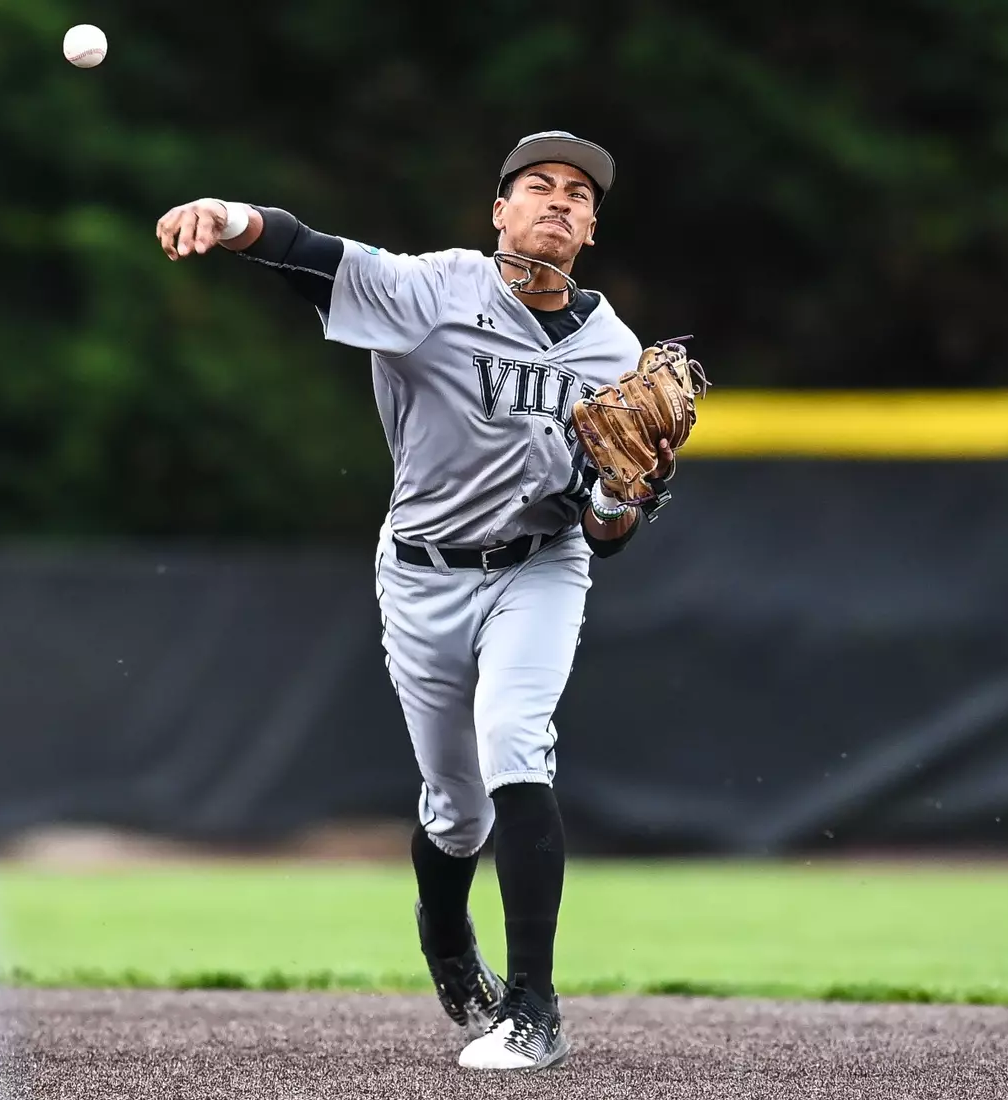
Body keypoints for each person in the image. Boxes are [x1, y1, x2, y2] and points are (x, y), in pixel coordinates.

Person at [156, 130, 681, 1072]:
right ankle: (446, 941)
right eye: (536, 187)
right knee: (456, 812)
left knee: (517, 740)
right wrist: (230, 219)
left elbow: (606, 533)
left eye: (577, 194)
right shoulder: (432, 289)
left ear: (593, 227)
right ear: (499, 212)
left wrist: (619, 497)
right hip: (420, 574)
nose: (557, 202)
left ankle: (532, 1008)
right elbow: (308, 253)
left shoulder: (614, 349)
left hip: (539, 565)